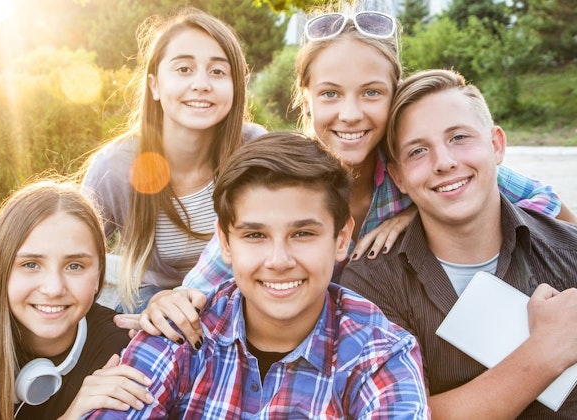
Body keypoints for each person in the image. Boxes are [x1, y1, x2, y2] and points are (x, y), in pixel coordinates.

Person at [123, 2, 575, 347]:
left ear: (394, 94)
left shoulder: (416, 170)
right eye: (330, 94)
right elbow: (215, 272)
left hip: (390, 341)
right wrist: (171, 299)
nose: (351, 114)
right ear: (305, 98)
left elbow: (547, 207)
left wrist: (420, 211)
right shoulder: (285, 176)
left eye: (372, 93)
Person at [89, 132, 429, 418]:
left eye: (302, 234)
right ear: (225, 242)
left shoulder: (380, 354)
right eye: (255, 235)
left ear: (341, 239)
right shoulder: (178, 331)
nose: (278, 261)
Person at [340, 68, 577, 417]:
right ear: (398, 177)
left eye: (459, 137)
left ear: (496, 145)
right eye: (418, 151)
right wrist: (546, 351)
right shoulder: (371, 284)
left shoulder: (569, 255)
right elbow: (397, 412)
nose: (444, 162)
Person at [81, 7, 266, 314]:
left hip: (237, 296)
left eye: (218, 72)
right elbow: (71, 254)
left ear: (236, 86)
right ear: (154, 85)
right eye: (183, 69)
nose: (202, 84)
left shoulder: (254, 149)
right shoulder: (114, 167)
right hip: (151, 305)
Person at [0, 180, 153, 420]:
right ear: (0, 270)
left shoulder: (124, 350)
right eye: (31, 264)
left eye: (75, 266)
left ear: (98, 276)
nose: (53, 289)